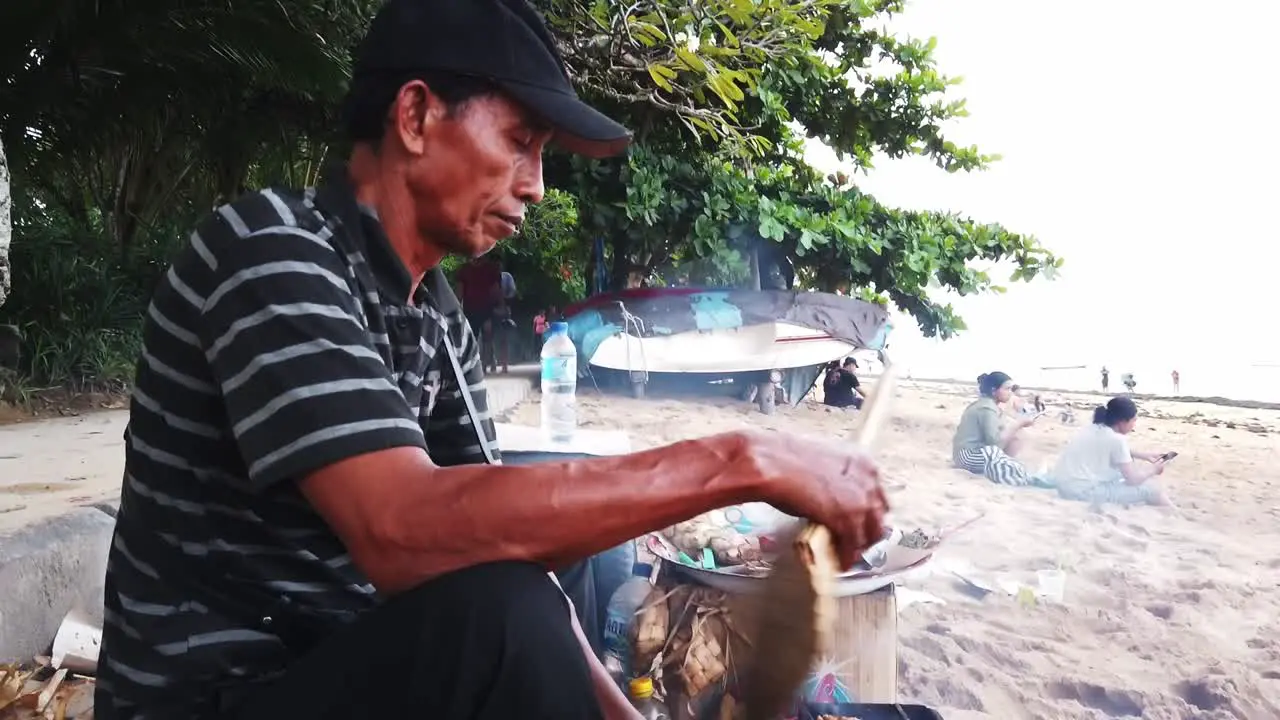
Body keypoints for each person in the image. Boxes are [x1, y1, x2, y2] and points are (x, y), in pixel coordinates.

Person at [94, 2, 889, 719]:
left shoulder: (435, 314)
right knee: (501, 617)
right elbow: (401, 530)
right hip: (218, 695)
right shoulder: (273, 254)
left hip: (340, 666)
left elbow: (513, 553)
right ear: (415, 115)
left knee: (563, 563)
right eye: (519, 143)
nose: (537, 186)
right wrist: (738, 457)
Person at [1049, 397, 1171, 506]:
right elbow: (1132, 480)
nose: (1134, 424)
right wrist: (1153, 470)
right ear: (1122, 421)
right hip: (1084, 492)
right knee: (1151, 490)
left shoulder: (1094, 427)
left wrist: (1143, 455)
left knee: (1123, 476)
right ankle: (1175, 514)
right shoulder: (1117, 439)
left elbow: (1107, 448)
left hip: (1065, 487)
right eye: (1133, 420)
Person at [952, 371, 1037, 486]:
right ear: (994, 390)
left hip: (968, 454)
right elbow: (993, 441)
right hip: (967, 456)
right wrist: (1018, 424)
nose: (1010, 393)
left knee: (1015, 437)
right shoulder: (986, 408)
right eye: (1007, 389)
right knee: (1000, 447)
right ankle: (1012, 471)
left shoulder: (988, 405)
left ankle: (1007, 467)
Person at [456, 254, 503, 369]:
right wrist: (456, 307)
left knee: (487, 336)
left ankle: (484, 364)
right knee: (473, 338)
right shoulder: (464, 270)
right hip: (470, 309)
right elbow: (459, 291)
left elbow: (496, 290)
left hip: (487, 309)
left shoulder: (491, 269)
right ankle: (475, 364)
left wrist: (500, 305)